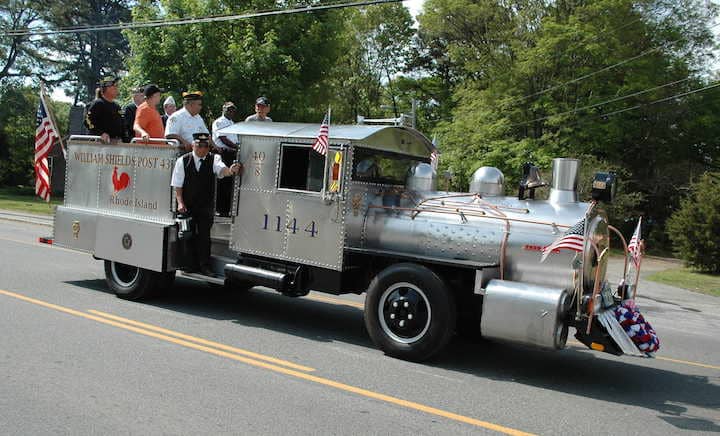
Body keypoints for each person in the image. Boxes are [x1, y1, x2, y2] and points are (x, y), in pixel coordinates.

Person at [170, 132, 242, 276]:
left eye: (205, 146)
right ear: (193, 145)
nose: (202, 149)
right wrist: (180, 203)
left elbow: (222, 170)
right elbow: (177, 185)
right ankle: (189, 265)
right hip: (187, 205)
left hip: (205, 205)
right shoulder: (183, 161)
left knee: (204, 237)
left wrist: (231, 170)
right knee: (187, 235)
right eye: (199, 145)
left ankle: (204, 266)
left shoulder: (214, 158)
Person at [211, 102, 239, 216]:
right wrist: (237, 147)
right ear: (223, 110)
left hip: (232, 153)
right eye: (229, 110)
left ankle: (227, 209)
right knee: (222, 181)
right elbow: (223, 138)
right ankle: (220, 209)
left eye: (233, 110)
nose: (231, 112)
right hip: (223, 153)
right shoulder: (219, 122)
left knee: (230, 182)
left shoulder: (232, 123)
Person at [84, 76, 124, 144]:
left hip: (116, 144)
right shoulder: (98, 103)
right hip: (100, 143)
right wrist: (100, 133)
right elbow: (88, 121)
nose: (117, 88)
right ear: (107, 88)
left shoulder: (117, 106)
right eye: (115, 86)